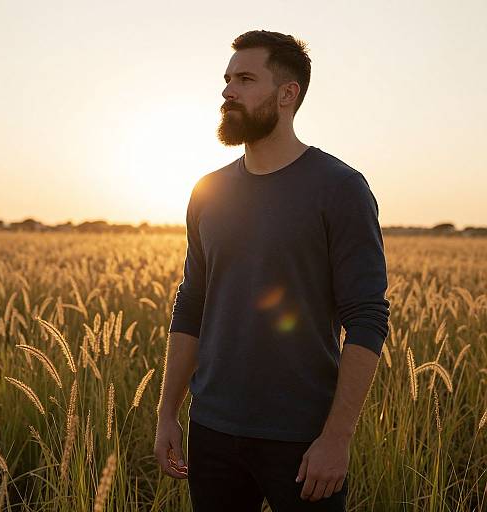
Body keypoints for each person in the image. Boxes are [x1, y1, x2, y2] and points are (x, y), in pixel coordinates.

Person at [154, 29, 390, 512]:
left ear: (288, 93)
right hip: (213, 431)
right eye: (226, 80)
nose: (227, 91)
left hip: (302, 441)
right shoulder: (207, 192)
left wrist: (337, 438)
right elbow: (191, 303)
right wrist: (168, 413)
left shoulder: (339, 189)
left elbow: (366, 317)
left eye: (244, 79)